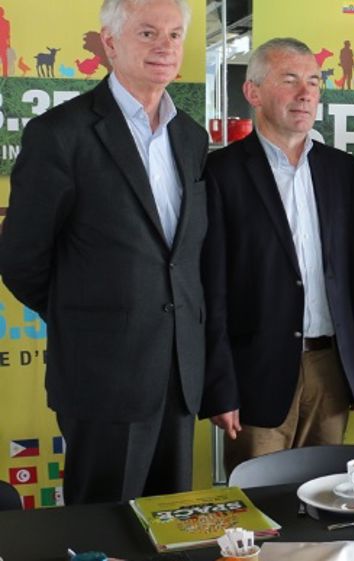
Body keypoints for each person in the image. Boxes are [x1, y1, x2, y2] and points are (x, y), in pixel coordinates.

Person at [0, 0, 206, 504]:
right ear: (110, 43)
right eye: (148, 33)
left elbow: (183, 256)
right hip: (103, 375)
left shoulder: (191, 137)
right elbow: (21, 258)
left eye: (175, 35)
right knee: (104, 531)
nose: (165, 46)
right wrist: (89, 317)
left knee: (169, 524)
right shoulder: (60, 134)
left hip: (179, 375)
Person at [199, 38, 354, 474]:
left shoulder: (341, 170)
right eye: (289, 80)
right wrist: (221, 386)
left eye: (313, 81)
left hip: (331, 368)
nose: (306, 93)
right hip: (257, 371)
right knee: (260, 506)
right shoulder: (221, 173)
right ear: (252, 92)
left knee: (326, 499)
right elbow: (211, 289)